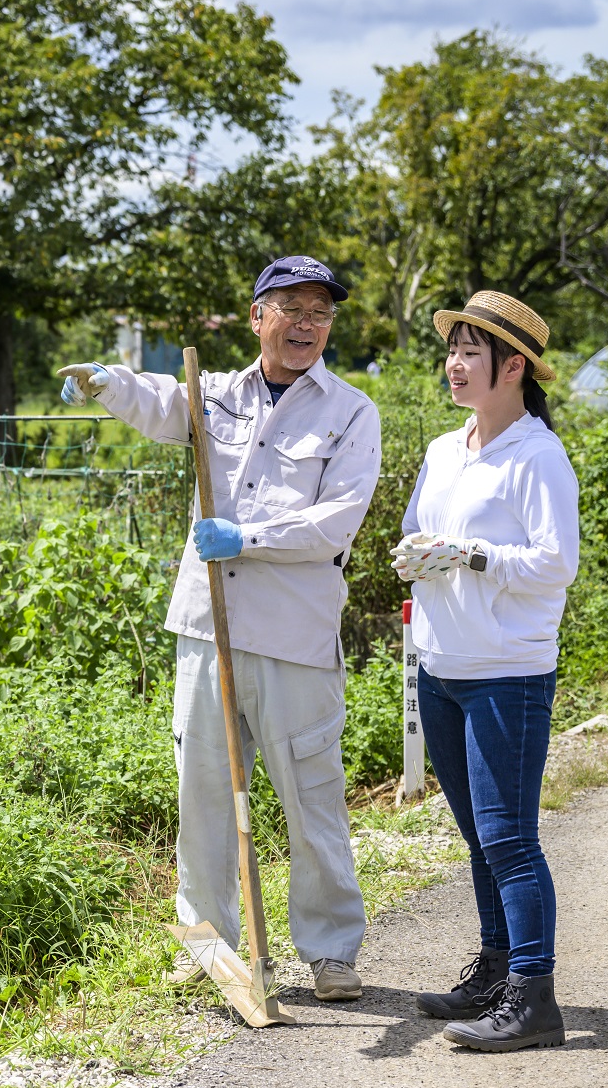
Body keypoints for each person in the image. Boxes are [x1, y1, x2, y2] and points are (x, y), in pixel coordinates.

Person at [58, 255, 381, 1001]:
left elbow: (337, 520)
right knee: (202, 789)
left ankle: (331, 951)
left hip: (294, 638)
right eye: (291, 308)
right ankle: (206, 944)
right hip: (208, 626)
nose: (307, 324)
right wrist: (107, 380)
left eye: (321, 312)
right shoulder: (213, 394)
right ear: (256, 315)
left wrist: (248, 536)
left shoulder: (350, 410)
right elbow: (160, 403)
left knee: (312, 795)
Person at [393, 291, 579, 1052]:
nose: (455, 363)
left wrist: (470, 555)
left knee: (510, 837)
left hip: (508, 671)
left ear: (514, 367)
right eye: (453, 348)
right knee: (477, 834)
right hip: (442, 664)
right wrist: (415, 552)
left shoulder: (538, 454)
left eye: (472, 351)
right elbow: (415, 529)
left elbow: (555, 562)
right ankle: (497, 969)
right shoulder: (446, 448)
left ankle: (535, 997)